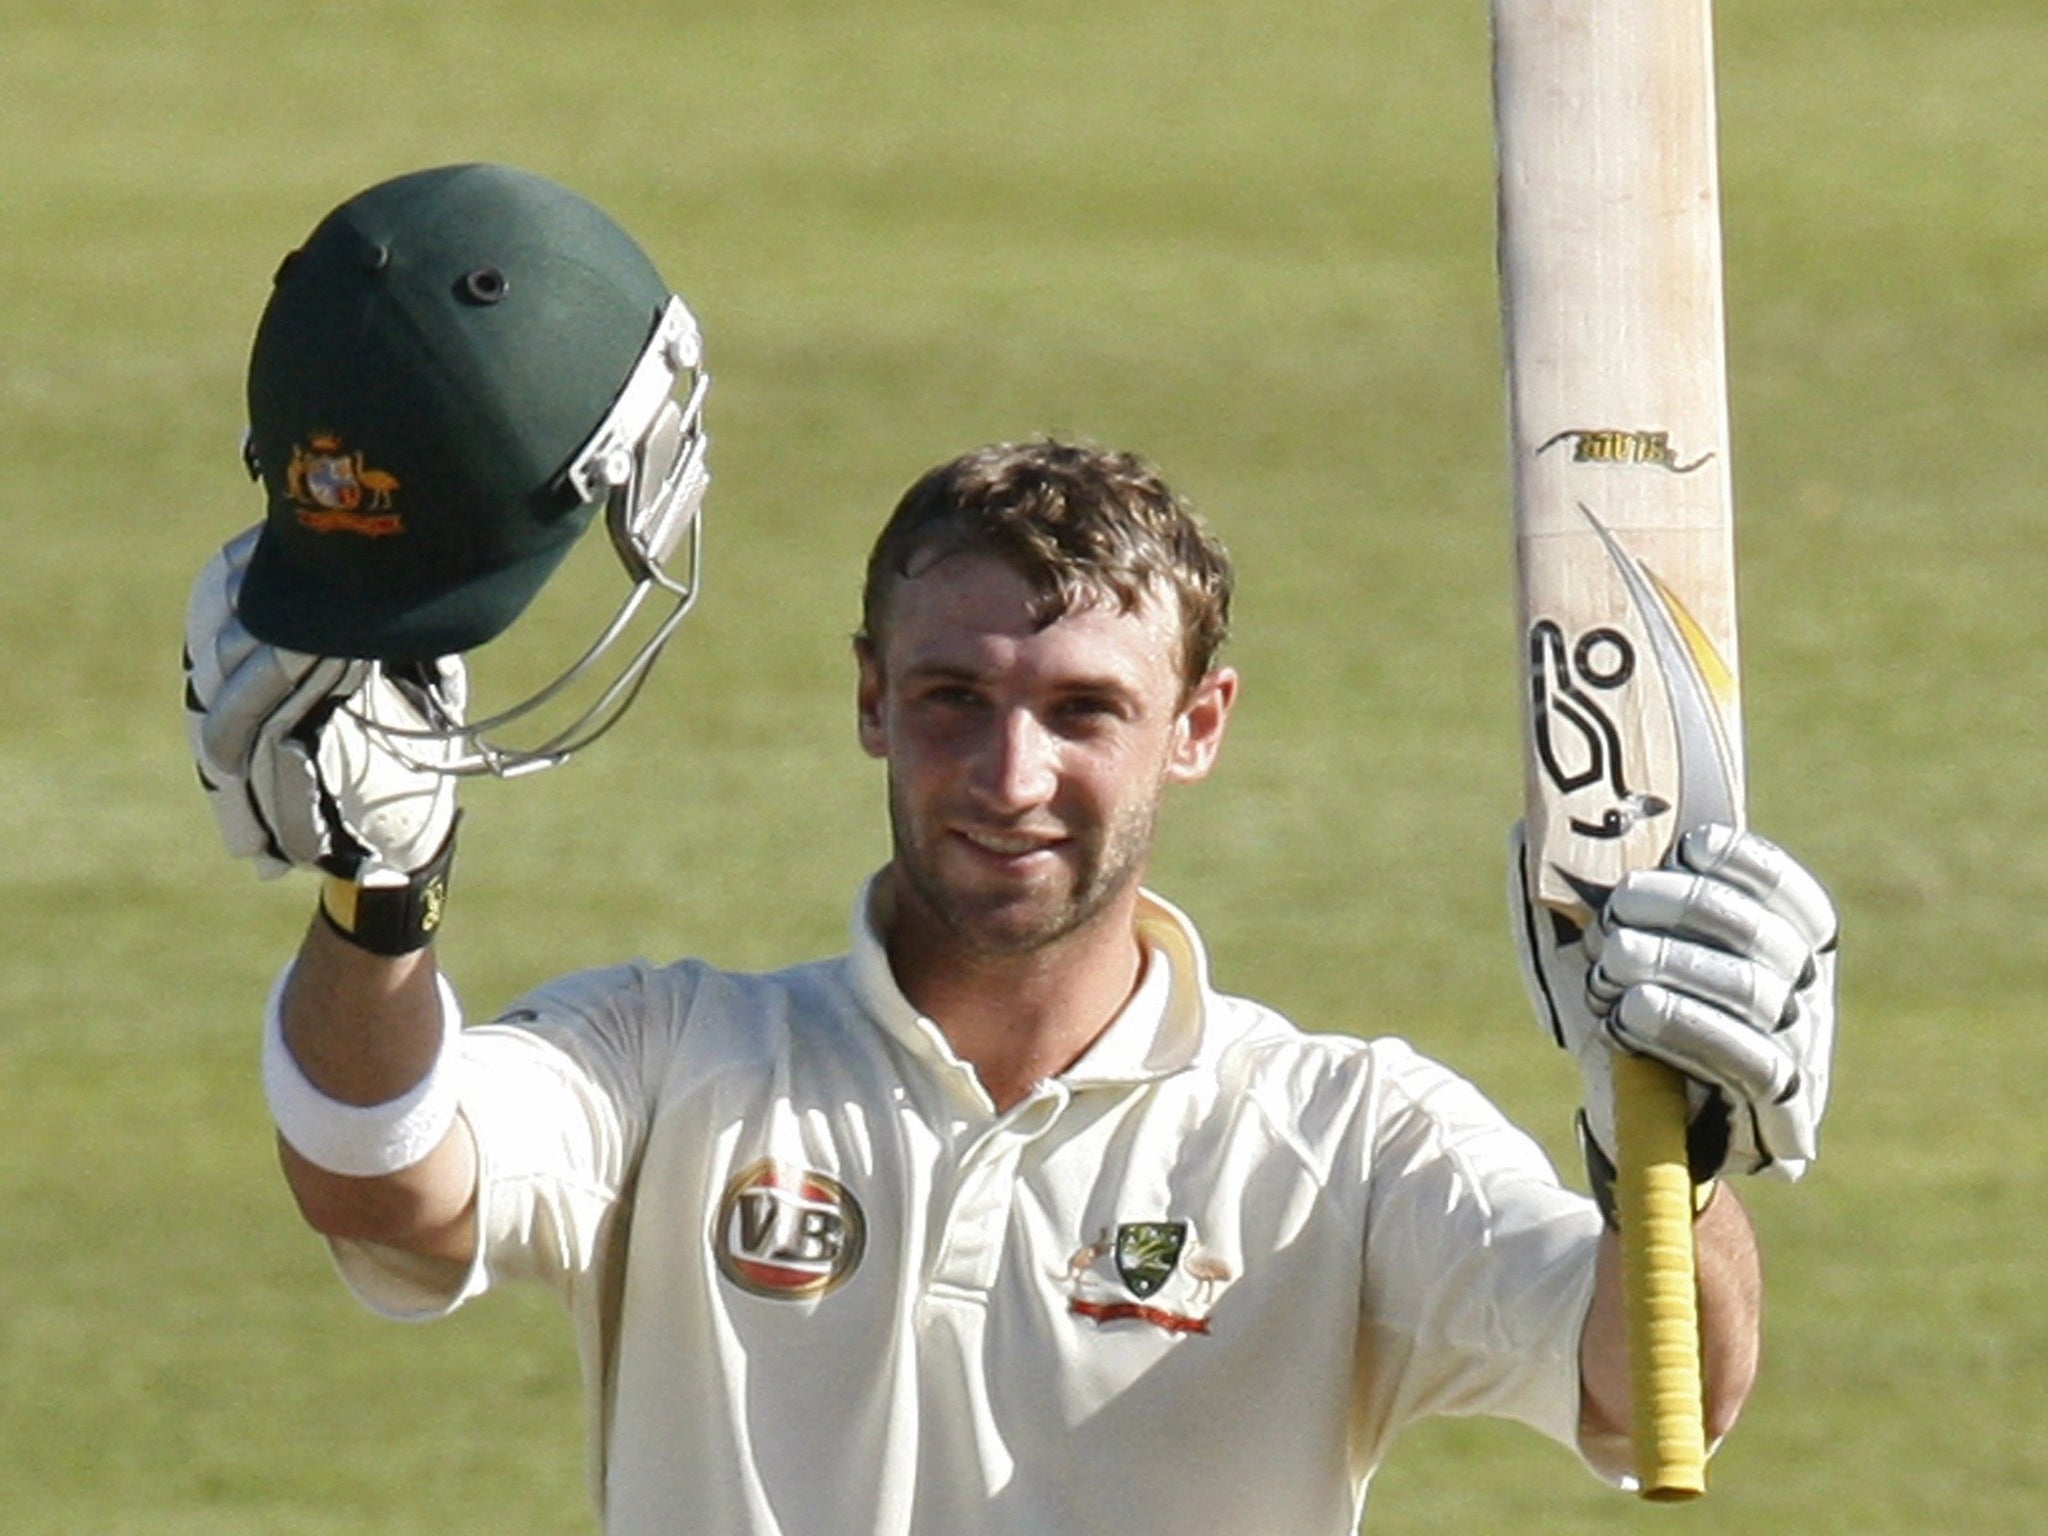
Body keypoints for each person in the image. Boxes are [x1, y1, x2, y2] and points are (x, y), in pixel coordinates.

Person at [186, 174, 1838, 1536]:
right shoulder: (673, 1058)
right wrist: (377, 910)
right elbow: (382, 1182)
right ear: (868, 701)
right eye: (953, 697)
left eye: (1084, 711)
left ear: (1199, 727)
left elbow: (1648, 1385)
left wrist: (1674, 1167)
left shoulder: (1341, 1136)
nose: (1009, 772)